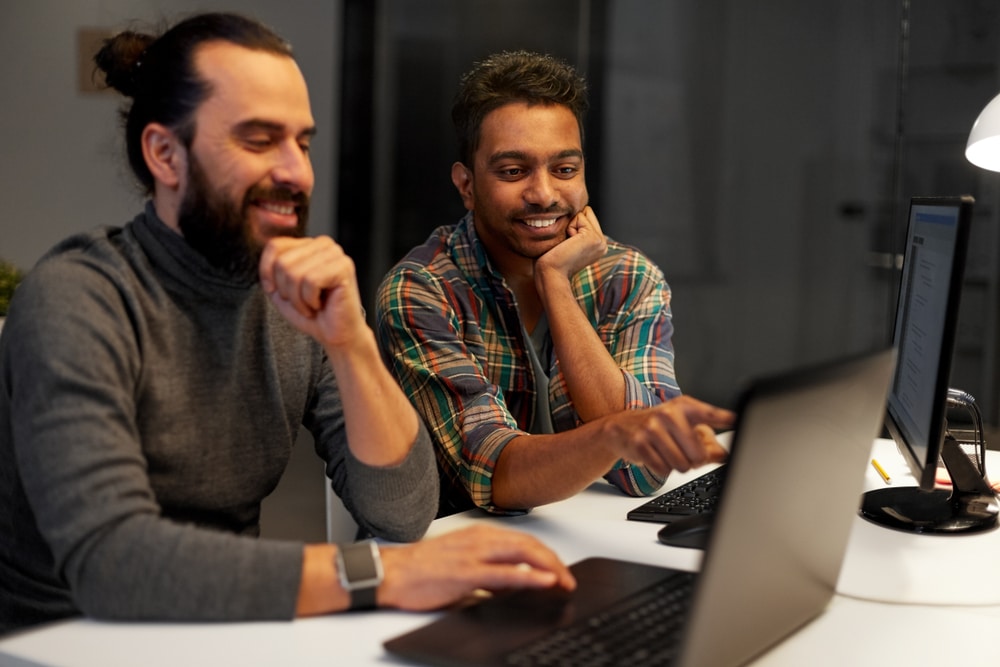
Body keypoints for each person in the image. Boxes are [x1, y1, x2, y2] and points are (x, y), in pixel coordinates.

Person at [0, 14, 573, 637]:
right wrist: (375, 576)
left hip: (232, 630)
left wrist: (350, 342)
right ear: (165, 154)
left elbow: (403, 513)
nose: (298, 173)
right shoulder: (79, 299)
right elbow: (114, 562)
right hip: (69, 643)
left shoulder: (291, 301)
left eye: (301, 142)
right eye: (258, 140)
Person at [376, 50, 736, 517]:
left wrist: (555, 284)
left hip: (590, 537)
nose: (543, 194)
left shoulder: (627, 278)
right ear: (466, 186)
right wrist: (615, 434)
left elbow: (644, 470)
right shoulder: (421, 293)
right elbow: (498, 478)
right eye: (512, 171)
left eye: (564, 170)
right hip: (463, 552)